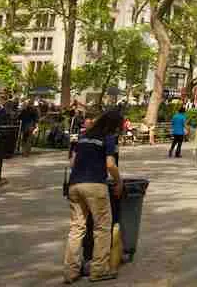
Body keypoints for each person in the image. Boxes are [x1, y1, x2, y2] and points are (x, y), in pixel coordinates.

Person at [63, 109, 123, 283]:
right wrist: (118, 181)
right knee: (102, 227)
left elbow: (72, 162)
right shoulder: (108, 138)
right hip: (95, 185)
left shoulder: (83, 137)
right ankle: (99, 270)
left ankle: (70, 271)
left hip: (75, 185)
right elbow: (110, 164)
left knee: (77, 228)